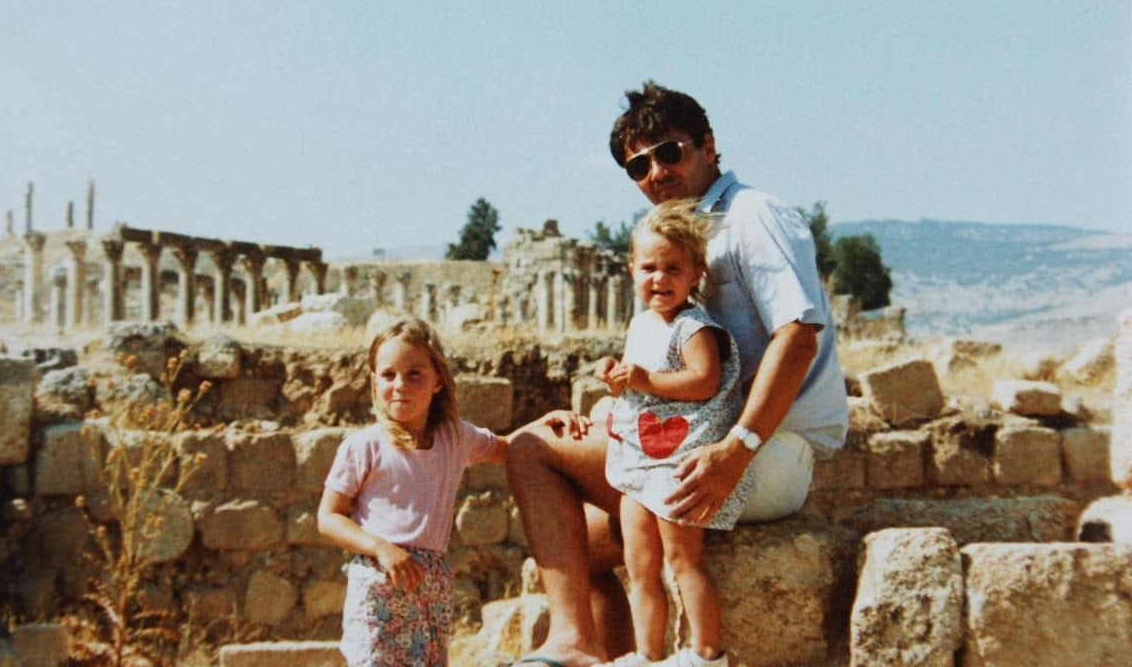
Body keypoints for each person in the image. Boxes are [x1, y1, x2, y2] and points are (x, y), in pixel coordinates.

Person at [507, 81, 849, 667]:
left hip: (765, 450)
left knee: (529, 450)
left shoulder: (752, 216)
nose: (656, 172)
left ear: (708, 146)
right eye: (638, 165)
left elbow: (797, 336)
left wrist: (737, 449)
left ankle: (572, 643)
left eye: (670, 152)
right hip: (706, 440)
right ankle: (615, 655)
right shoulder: (682, 243)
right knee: (580, 542)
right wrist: (604, 413)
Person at [317, 316, 588, 667]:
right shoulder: (363, 447)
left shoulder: (454, 438)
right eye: (388, 374)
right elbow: (328, 517)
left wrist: (549, 421)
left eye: (414, 373)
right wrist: (381, 548)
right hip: (379, 582)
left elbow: (509, 447)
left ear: (438, 382)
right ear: (374, 382)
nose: (400, 384)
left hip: (431, 586)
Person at [597, 200, 742, 667]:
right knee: (639, 566)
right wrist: (616, 374)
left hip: (677, 460)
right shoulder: (641, 323)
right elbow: (638, 379)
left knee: (682, 560)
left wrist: (644, 380)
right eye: (649, 268)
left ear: (696, 272)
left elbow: (704, 381)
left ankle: (706, 653)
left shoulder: (694, 326)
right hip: (641, 458)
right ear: (631, 269)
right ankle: (647, 654)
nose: (659, 279)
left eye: (672, 268)